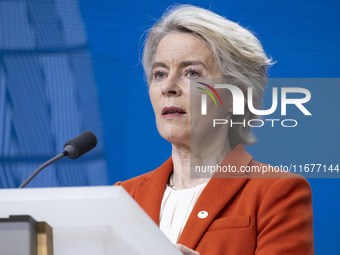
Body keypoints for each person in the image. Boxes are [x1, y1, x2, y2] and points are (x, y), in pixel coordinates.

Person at [115, 5, 314, 255]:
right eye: (159, 74)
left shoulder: (275, 191)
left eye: (192, 72)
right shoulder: (123, 197)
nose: (168, 87)